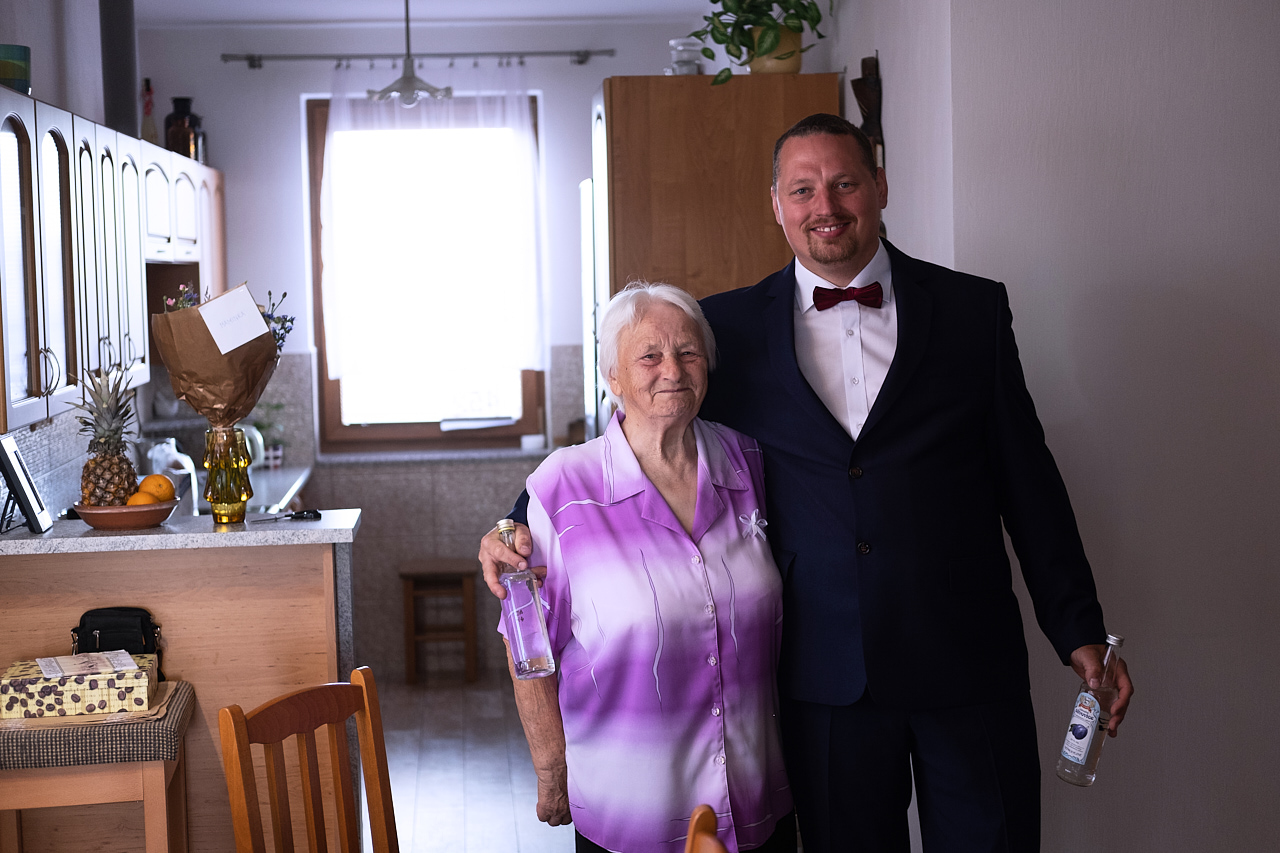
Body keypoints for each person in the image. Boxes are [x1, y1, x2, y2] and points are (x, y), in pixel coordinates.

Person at [483, 114, 1133, 852]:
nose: (825, 205)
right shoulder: (724, 330)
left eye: (845, 183)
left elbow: (1029, 481)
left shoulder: (971, 310)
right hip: (820, 679)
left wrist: (1079, 629)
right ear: (777, 205)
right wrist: (514, 526)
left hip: (966, 659)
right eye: (802, 190)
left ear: (880, 186)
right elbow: (639, 435)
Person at [499, 282, 795, 853]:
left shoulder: (748, 462)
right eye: (650, 356)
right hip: (631, 812)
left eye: (688, 352)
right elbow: (527, 646)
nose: (673, 370)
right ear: (613, 377)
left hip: (752, 798)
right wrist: (551, 771)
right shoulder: (562, 487)